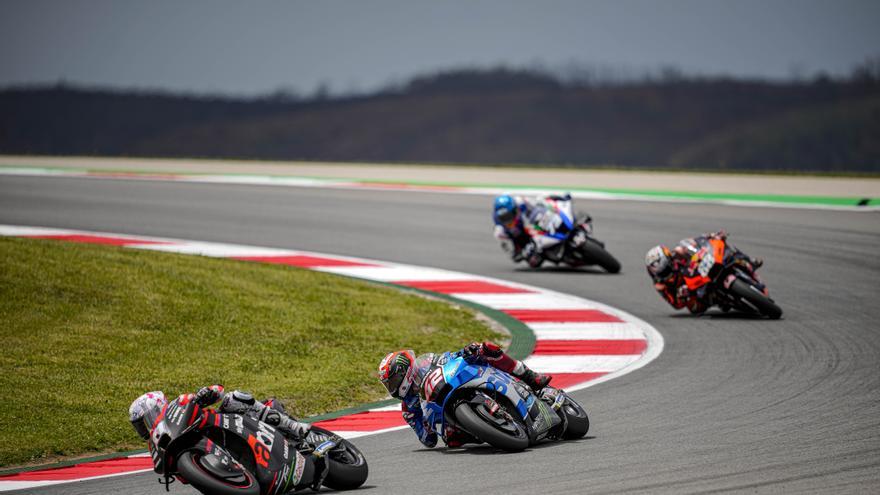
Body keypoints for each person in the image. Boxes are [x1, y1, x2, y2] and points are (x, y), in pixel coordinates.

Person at [128, 385, 333, 491]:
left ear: (157, 407)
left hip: (230, 424)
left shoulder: (179, 404)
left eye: (145, 420)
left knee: (234, 399)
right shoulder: (157, 446)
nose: (145, 427)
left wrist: (205, 394)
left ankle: (294, 427)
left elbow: (217, 389)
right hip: (229, 462)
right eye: (140, 425)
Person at [377, 342, 551, 448]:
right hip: (452, 423)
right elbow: (428, 440)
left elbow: (450, 358)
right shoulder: (408, 408)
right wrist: (423, 423)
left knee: (486, 347)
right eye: (388, 385)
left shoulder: (428, 363)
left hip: (456, 381)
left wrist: (468, 351)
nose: (392, 388)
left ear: (404, 371)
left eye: (392, 381)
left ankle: (530, 376)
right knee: (453, 442)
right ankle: (494, 427)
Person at [645, 230, 761, 314]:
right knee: (695, 309)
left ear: (669, 259)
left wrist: (712, 236)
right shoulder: (660, 284)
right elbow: (675, 304)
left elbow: (697, 242)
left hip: (701, 268)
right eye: (663, 272)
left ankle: (749, 261)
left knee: (728, 251)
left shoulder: (679, 251)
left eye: (667, 268)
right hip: (693, 292)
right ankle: (721, 299)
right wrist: (681, 296)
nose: (667, 272)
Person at [493, 193, 572, 268]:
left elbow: (539, 202)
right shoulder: (500, 231)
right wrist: (522, 253)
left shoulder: (521, 202)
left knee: (546, 199)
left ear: (515, 210)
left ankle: (563, 206)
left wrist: (549, 206)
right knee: (534, 262)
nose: (508, 221)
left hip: (533, 225)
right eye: (503, 218)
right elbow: (513, 254)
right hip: (527, 242)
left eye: (509, 216)